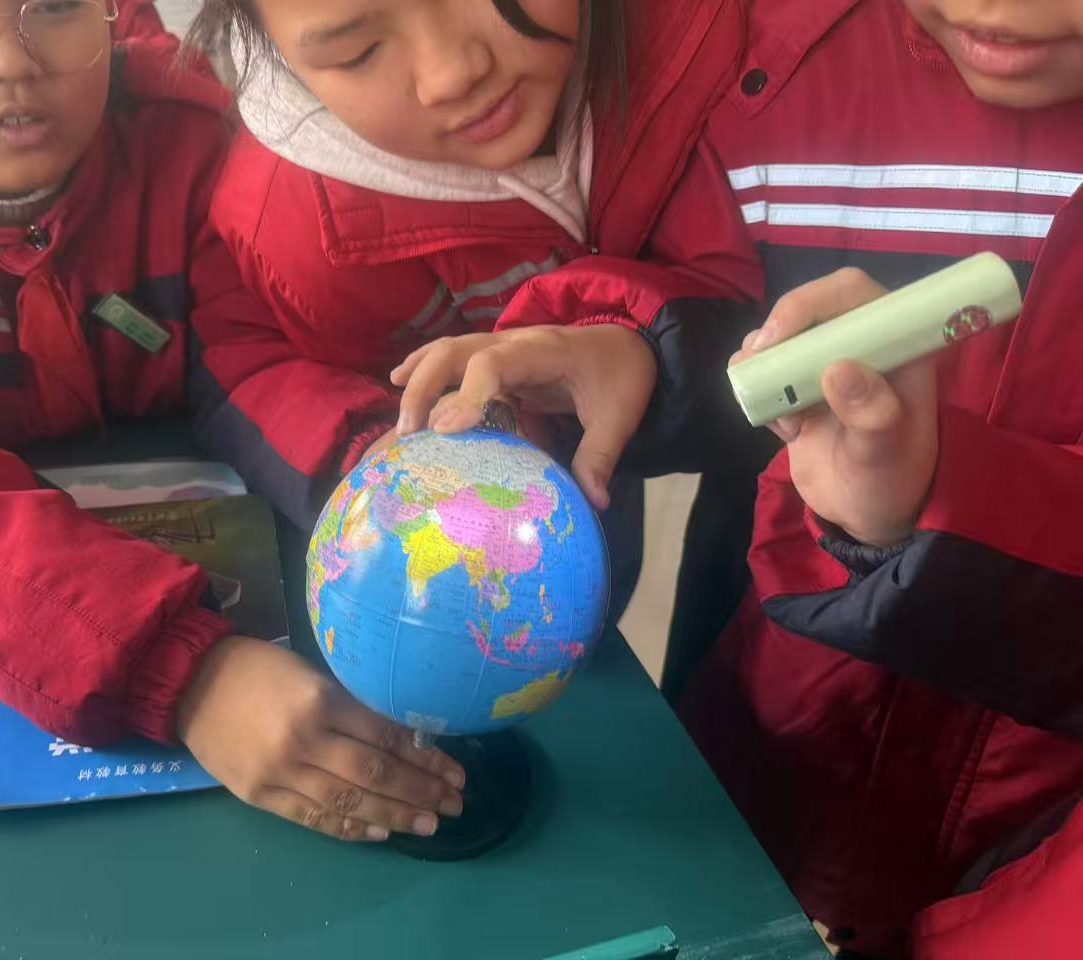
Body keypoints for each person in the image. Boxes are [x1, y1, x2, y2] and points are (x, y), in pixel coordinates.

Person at [396, 0, 1083, 954]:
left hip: (1026, 847)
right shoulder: (762, 71)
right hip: (764, 742)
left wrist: (937, 502)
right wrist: (636, 349)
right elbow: (725, 311)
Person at [0, 0, 464, 845]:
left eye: (57, 4)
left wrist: (377, 464)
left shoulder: (194, 139)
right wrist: (185, 672)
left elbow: (254, 353)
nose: (9, 60)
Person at [183, 0, 760, 551]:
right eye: (358, 52)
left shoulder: (714, 43)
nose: (452, 75)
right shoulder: (284, 224)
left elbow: (767, 295)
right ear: (276, 53)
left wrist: (643, 345)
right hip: (504, 523)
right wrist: (376, 443)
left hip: (691, 469)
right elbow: (249, 355)